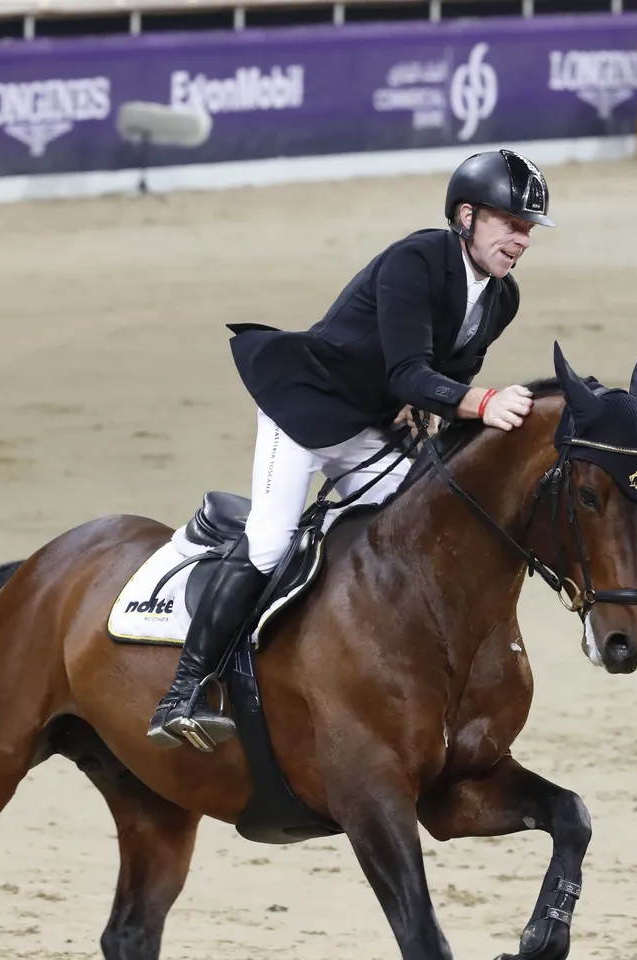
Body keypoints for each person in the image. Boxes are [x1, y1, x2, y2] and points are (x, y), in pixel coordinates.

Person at [147, 148, 556, 751]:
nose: (520, 240)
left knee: (415, 527)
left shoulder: (501, 297)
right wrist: (481, 402)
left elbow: (436, 378)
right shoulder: (415, 261)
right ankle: (183, 692)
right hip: (306, 410)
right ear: (466, 217)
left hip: (368, 425)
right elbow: (408, 373)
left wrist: (429, 406)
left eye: (527, 229)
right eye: (510, 223)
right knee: (269, 543)